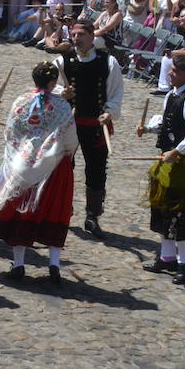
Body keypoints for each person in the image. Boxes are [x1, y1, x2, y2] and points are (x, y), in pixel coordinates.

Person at [0, 62, 78, 287]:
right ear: (52, 83)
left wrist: (19, 154)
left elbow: (10, 132)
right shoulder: (62, 107)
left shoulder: (21, 101)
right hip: (55, 166)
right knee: (55, 212)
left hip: (24, 163)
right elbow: (70, 140)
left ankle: (19, 264)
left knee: (22, 214)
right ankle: (54, 264)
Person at [137, 54, 185, 285]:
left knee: (178, 211)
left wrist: (178, 150)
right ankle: (167, 257)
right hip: (168, 159)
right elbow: (168, 121)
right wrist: (149, 128)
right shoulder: (173, 94)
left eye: (174, 70)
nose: (169, 73)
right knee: (162, 208)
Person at [53, 21, 123, 239]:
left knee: (96, 170)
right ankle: (62, 211)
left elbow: (116, 92)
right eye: (73, 34)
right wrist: (60, 92)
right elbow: (48, 86)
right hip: (69, 125)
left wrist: (110, 112)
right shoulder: (61, 61)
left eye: (81, 34)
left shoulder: (108, 62)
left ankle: (92, 216)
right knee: (64, 168)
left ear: (92, 36)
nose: (76, 38)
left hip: (95, 125)